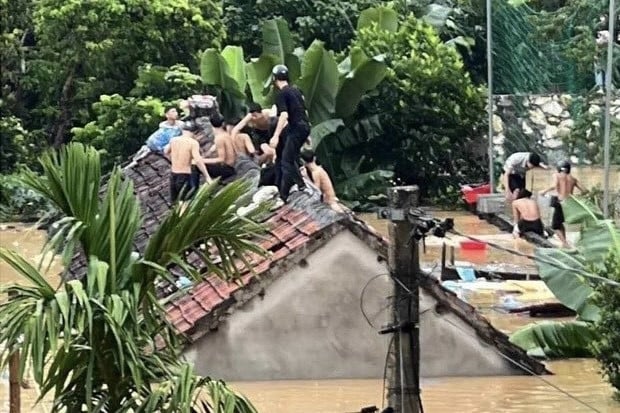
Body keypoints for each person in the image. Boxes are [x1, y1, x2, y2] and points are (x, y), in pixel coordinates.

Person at [269, 65, 311, 202]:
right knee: (290, 158)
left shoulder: (281, 94)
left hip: (296, 128)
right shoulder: (296, 91)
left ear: (275, 79)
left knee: (286, 161)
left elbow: (284, 116)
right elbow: (304, 111)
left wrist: (275, 136)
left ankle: (299, 187)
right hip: (304, 127)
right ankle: (286, 192)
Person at [540, 160, 587, 248]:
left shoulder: (556, 175)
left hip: (559, 202)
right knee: (560, 223)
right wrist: (575, 197)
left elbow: (554, 185)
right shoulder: (573, 179)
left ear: (558, 168)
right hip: (569, 203)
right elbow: (585, 191)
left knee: (555, 226)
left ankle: (565, 243)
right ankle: (564, 242)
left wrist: (544, 191)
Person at [164, 123, 211, 203]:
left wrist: (174, 161)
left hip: (173, 174)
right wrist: (207, 176)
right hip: (184, 175)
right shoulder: (193, 143)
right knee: (186, 202)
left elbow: (166, 152)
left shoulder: (173, 140)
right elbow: (198, 160)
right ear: (195, 132)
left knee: (175, 202)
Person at [200, 113, 236, 180]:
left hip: (226, 169)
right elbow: (213, 149)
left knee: (196, 165)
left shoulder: (219, 138)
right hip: (231, 165)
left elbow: (221, 159)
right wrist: (206, 155)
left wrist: (201, 160)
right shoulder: (226, 134)